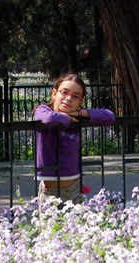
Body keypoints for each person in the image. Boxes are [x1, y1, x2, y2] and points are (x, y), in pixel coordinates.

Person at [33, 73, 115, 202]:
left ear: (80, 101)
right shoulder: (44, 110)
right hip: (51, 190)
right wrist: (67, 118)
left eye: (75, 96)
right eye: (64, 92)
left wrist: (81, 113)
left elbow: (109, 116)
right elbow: (48, 119)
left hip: (75, 187)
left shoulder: (78, 116)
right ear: (54, 94)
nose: (68, 98)